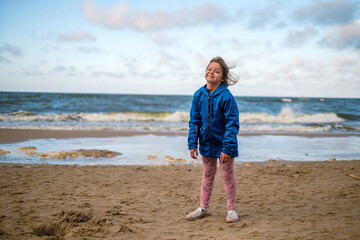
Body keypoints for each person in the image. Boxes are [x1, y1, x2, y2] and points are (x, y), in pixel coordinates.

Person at [186, 56, 239, 223]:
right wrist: (192, 142)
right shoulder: (198, 95)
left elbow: (232, 124)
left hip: (224, 145)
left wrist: (227, 148)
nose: (211, 72)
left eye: (216, 71)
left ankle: (231, 209)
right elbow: (194, 120)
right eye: (209, 69)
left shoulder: (226, 97)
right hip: (206, 144)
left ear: (222, 77)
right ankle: (203, 207)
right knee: (207, 174)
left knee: (227, 176)